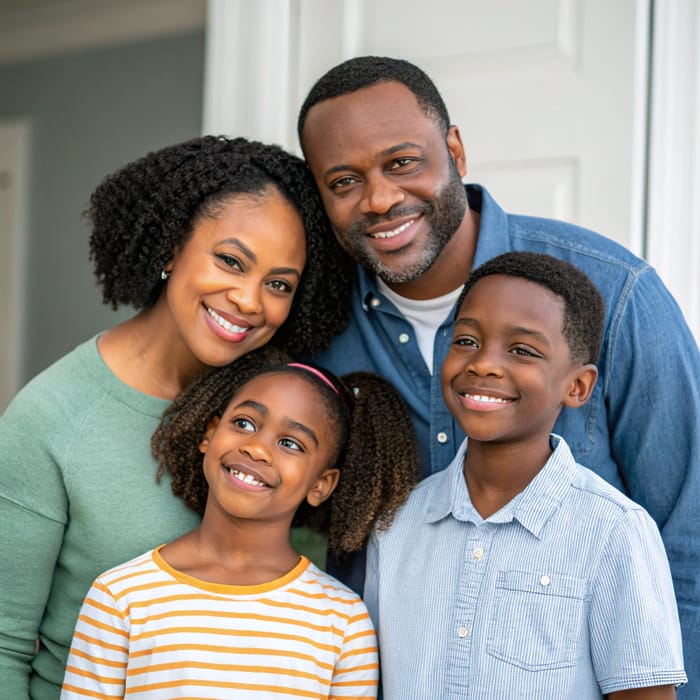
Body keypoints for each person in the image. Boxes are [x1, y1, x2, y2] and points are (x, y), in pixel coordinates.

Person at [297, 55, 700, 689]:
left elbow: (689, 537)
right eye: (344, 181)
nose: (379, 198)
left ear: (455, 151)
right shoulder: (313, 324)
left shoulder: (615, 295)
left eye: (402, 162)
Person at [0, 135, 354, 699]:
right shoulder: (51, 419)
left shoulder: (288, 408)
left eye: (279, 284)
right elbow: (4, 644)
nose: (248, 300)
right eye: (231, 261)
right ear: (170, 248)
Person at [364, 251, 687, 698]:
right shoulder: (397, 524)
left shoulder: (614, 531)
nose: (483, 364)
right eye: (466, 341)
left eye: (522, 350)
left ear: (578, 387)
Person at [60, 349, 419, 698]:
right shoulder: (121, 597)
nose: (257, 449)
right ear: (209, 434)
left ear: (321, 485)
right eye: (244, 423)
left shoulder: (342, 622)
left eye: (291, 443)